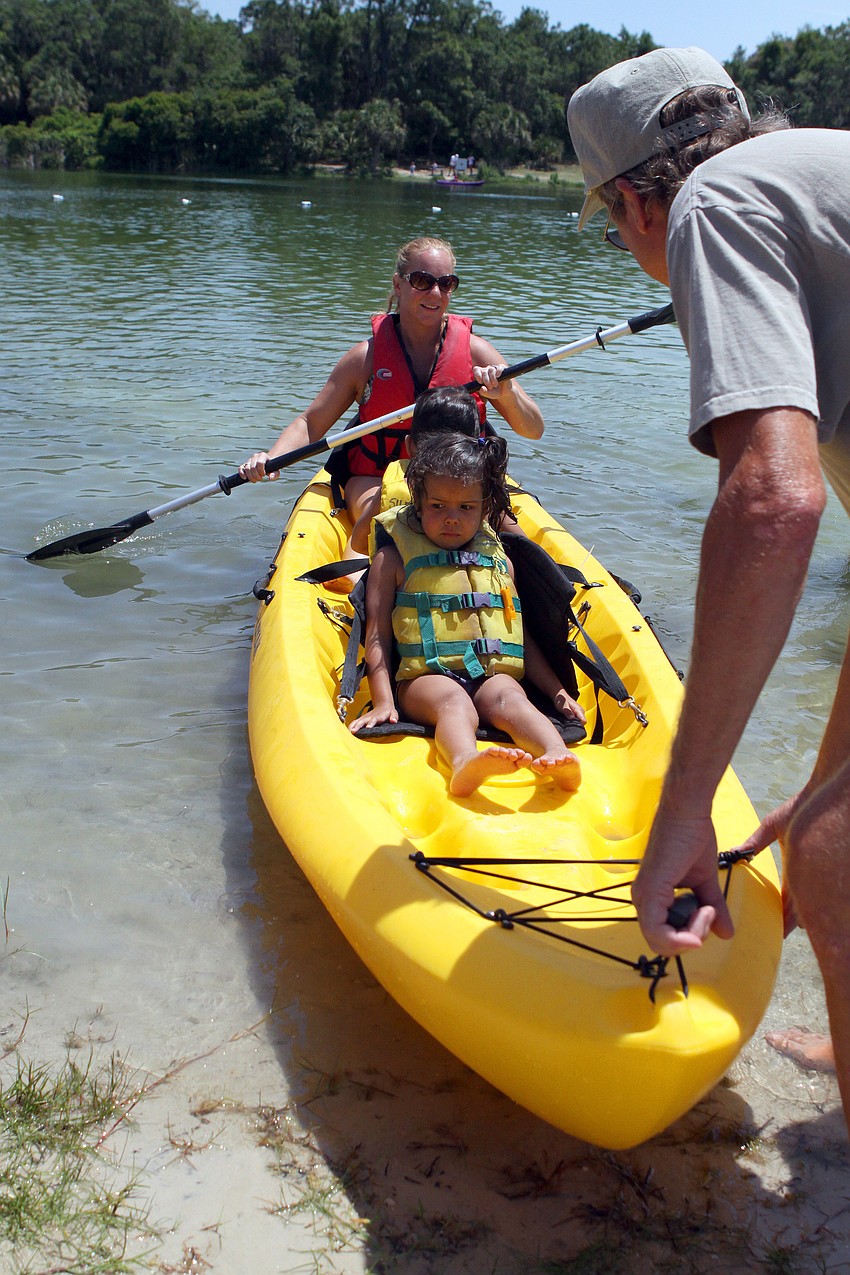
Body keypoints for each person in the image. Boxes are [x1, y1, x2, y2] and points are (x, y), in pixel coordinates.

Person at [568, 47, 850, 1118]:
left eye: (609, 227)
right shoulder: (805, 178)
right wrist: (821, 779)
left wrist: (683, 809)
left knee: (830, 861)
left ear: (638, 202)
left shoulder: (715, 206)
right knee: (823, 826)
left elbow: (774, 501)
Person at [239, 236, 543, 576]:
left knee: (505, 521)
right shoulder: (364, 358)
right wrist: (270, 457)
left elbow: (533, 428)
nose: (435, 293)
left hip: (457, 481)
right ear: (398, 284)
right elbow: (311, 423)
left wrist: (507, 394)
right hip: (375, 477)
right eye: (422, 281)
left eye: (446, 284)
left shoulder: (477, 353)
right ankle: (366, 592)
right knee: (387, 504)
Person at [349, 425, 585, 797]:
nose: (452, 518)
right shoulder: (391, 558)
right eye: (438, 507)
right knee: (452, 701)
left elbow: (518, 635)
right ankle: (463, 762)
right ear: (417, 502)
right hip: (424, 681)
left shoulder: (499, 559)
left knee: (511, 698)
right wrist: (383, 702)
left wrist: (556, 692)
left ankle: (556, 755)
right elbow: (376, 633)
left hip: (490, 672)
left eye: (466, 508)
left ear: (484, 507)